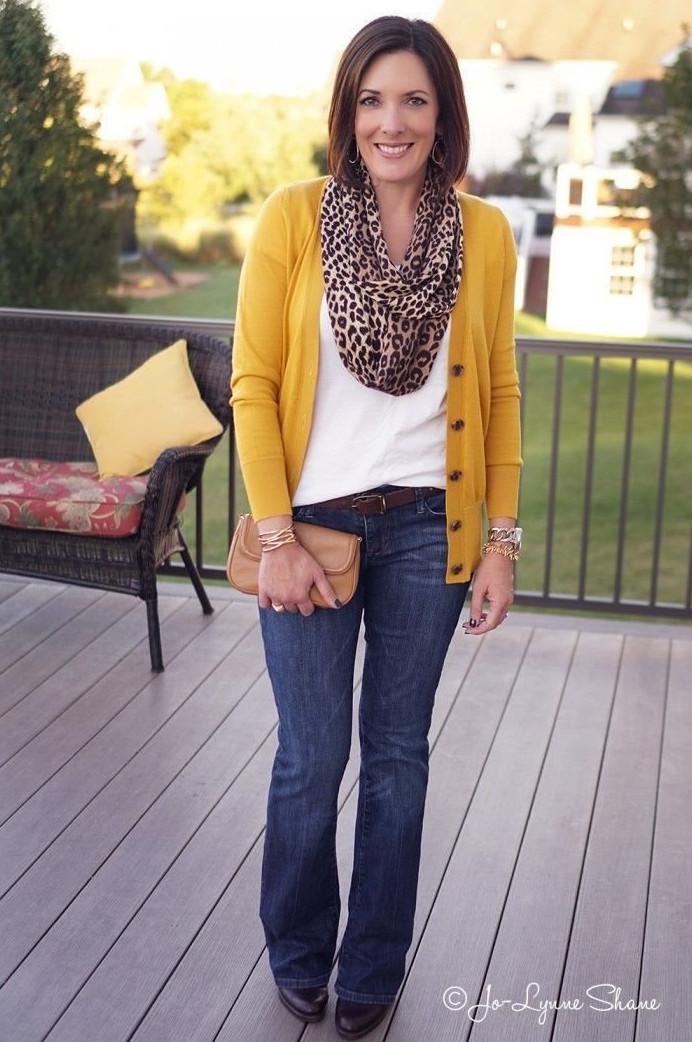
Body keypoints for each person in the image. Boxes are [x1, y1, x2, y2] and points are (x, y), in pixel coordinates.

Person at [230, 14, 523, 1039]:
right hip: (308, 527)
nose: (389, 122)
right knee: (311, 760)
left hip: (428, 529)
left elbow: (498, 390)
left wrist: (499, 541)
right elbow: (253, 384)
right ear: (346, 113)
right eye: (370, 100)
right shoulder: (293, 217)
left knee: (397, 758)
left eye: (412, 99)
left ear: (442, 115)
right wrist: (274, 538)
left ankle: (371, 965)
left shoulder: (484, 234)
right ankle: (298, 948)